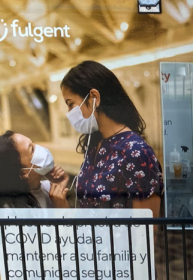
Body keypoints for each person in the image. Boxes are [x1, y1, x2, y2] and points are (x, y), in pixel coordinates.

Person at [60, 61, 162, 217]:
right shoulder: (95, 145)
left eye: (70, 104)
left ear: (94, 97)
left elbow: (147, 231)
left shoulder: (136, 152)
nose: (68, 113)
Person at [0, 131, 70, 280]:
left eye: (34, 143)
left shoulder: (44, 188)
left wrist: (61, 195)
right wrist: (60, 208)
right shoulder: (10, 213)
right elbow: (54, 252)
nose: (41, 149)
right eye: (32, 149)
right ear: (22, 173)